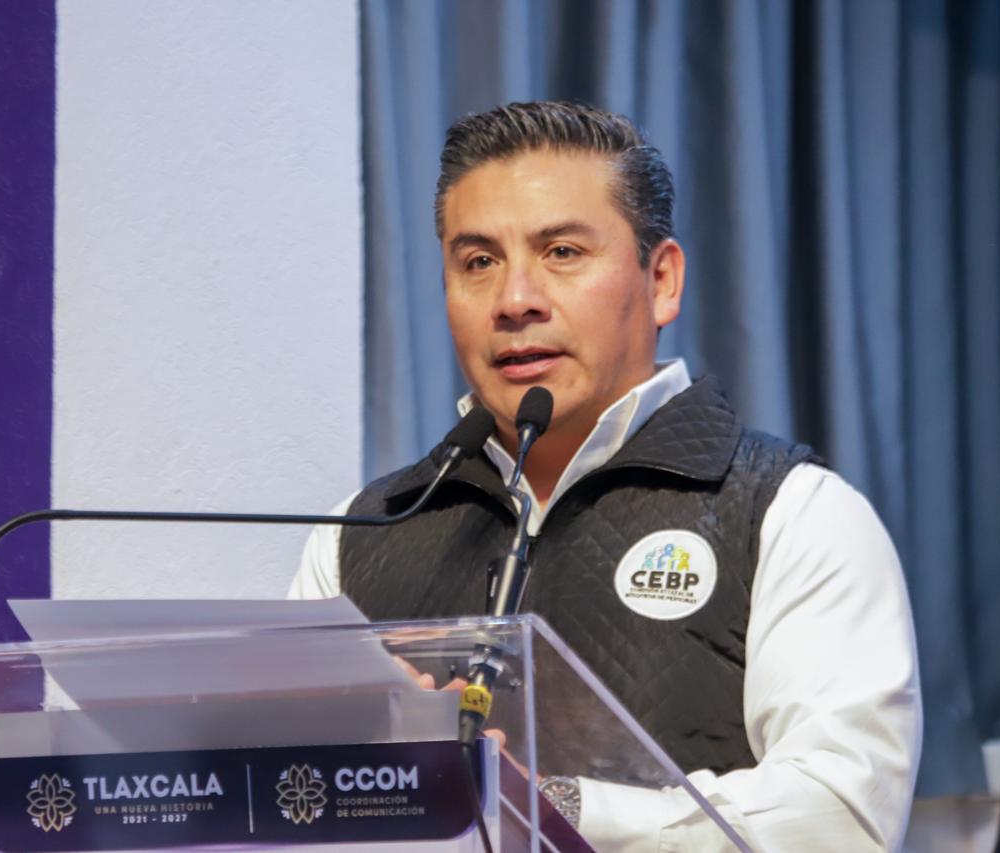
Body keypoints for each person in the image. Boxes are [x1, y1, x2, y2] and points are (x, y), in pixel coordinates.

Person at [290, 101, 920, 850]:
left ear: (662, 280)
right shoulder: (358, 533)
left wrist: (547, 804)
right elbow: (280, 796)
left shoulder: (793, 514)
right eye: (478, 262)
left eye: (561, 252)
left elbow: (841, 817)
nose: (515, 301)